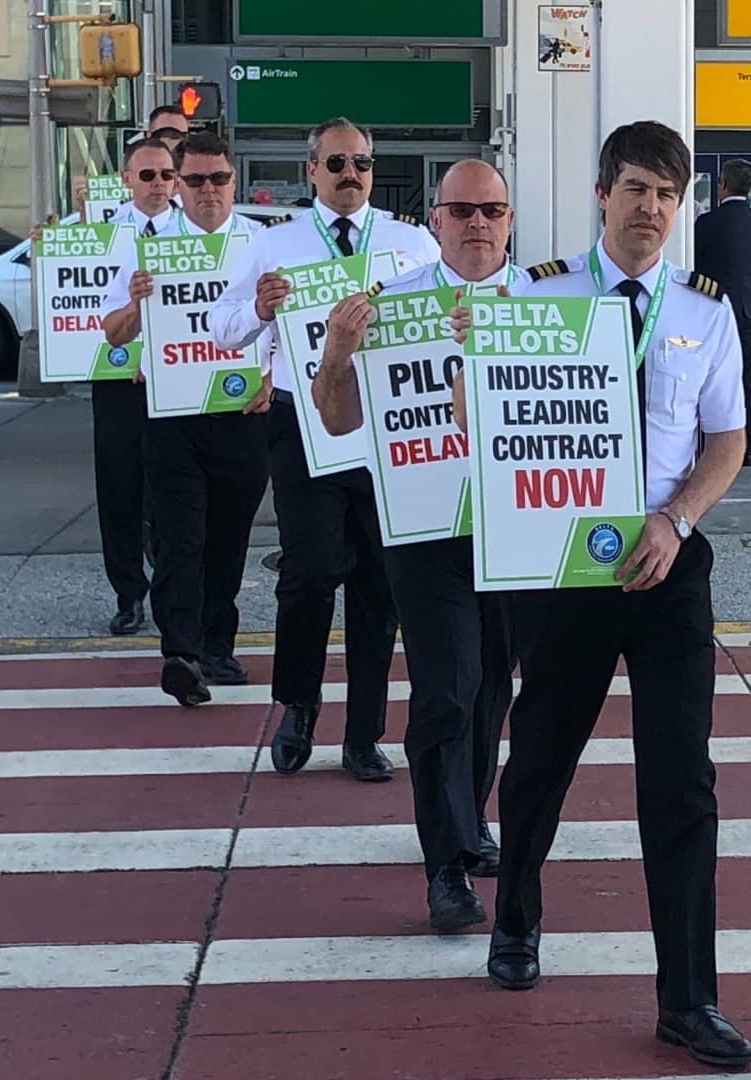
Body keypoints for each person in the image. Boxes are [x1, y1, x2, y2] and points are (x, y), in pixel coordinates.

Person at [462, 119, 751, 1069]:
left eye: (668, 195)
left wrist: (677, 522)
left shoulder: (705, 313)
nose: (651, 209)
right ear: (602, 194)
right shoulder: (535, 295)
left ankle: (688, 998)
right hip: (565, 573)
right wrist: (480, 356)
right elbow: (489, 425)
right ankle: (517, 917)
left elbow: (726, 443)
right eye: (635, 189)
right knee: (543, 754)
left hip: (668, 567)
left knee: (683, 782)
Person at [307, 158, 520, 930]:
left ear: (509, 218)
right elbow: (335, 420)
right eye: (460, 210)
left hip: (518, 527)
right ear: (433, 221)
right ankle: (444, 869)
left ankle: (470, 822)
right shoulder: (388, 308)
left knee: (495, 688)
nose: (477, 224)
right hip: (425, 524)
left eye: (491, 210)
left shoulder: (546, 303)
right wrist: (336, 350)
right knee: (448, 687)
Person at [210, 116, 440, 782]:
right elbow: (223, 329)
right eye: (337, 162)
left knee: (378, 584)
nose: (350, 175)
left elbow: (445, 310)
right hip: (299, 422)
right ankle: (298, 707)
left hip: (384, 428)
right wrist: (257, 309)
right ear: (311, 169)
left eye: (362, 164)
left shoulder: (410, 242)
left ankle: (363, 733)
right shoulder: (273, 243)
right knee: (310, 571)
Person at [99, 132, 271, 706]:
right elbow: (113, 332)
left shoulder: (259, 242)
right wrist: (136, 304)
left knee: (229, 536)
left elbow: (289, 326)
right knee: (178, 536)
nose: (206, 191)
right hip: (172, 410)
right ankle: (180, 652)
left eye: (217, 179)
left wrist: (272, 377)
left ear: (233, 181)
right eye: (192, 179)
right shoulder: (147, 245)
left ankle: (217, 643)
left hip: (241, 409)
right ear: (176, 183)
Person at [93, 138, 181, 637]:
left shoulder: (193, 234)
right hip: (117, 376)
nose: (158, 186)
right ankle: (128, 592)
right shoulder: (101, 234)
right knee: (119, 484)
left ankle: (173, 588)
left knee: (172, 488)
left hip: (177, 376)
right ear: (127, 180)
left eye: (167, 175)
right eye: (147, 176)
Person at [695, 159, 751, 466]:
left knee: (709, 374)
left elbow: (694, 259)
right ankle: (747, 444)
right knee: (745, 372)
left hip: (713, 307)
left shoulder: (709, 222)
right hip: (747, 305)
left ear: (722, 184)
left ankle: (712, 443)